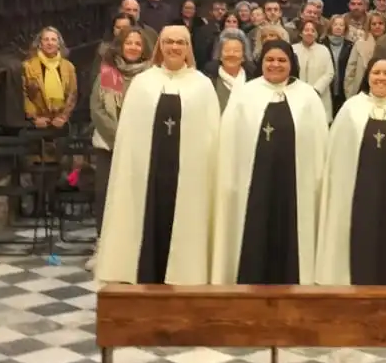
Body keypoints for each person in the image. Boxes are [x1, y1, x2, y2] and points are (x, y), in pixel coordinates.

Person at [92, 25, 220, 285]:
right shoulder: (143, 83)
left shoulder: (202, 86)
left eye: (180, 43)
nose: (174, 47)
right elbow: (130, 136)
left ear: (188, 48)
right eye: (169, 42)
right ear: (160, 46)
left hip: (188, 179)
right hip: (147, 176)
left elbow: (211, 138)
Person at [211, 40, 331, 285]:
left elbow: (319, 146)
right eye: (270, 60)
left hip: (295, 188)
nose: (275, 64)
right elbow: (230, 143)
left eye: (282, 60)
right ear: (261, 63)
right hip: (252, 185)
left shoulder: (307, 96)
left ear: (291, 64)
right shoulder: (245, 94)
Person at [315, 57, 386, 285]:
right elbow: (337, 158)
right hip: (357, 193)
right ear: (368, 76)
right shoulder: (351, 108)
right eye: (376, 73)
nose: (381, 78)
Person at [86, 26, 155, 271]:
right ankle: (103, 247)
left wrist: (133, 139)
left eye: (138, 43)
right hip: (109, 146)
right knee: (106, 195)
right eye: (129, 43)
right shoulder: (107, 72)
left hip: (141, 147)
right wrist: (119, 138)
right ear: (120, 46)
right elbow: (97, 109)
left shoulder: (152, 75)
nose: (133, 47)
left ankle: (135, 248)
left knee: (137, 197)